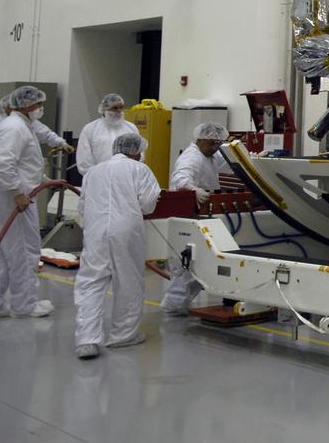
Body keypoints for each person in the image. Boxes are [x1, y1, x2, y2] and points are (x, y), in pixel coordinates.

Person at [73, 133, 161, 358]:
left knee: (90, 282)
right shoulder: (140, 169)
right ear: (135, 151)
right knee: (128, 281)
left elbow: (82, 206)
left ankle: (87, 340)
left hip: (95, 231)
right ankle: (123, 335)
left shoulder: (93, 172)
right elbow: (148, 204)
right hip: (126, 231)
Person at [0, 85, 54, 319]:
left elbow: (23, 164)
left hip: (3, 198)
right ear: (26, 105)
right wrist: (17, 193)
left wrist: (43, 180)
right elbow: (3, 163)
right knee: (25, 251)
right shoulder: (15, 127)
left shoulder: (19, 125)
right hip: (13, 200)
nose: (41, 108)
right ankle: (25, 305)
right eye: (39, 104)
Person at [161, 121, 230, 314]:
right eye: (212, 143)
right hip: (187, 215)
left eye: (218, 144)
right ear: (200, 140)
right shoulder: (192, 157)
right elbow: (180, 179)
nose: (215, 148)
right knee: (187, 264)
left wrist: (253, 157)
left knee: (198, 262)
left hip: (201, 214)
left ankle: (177, 305)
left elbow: (228, 161)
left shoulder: (209, 155)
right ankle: (173, 305)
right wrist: (194, 190)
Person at [0, 94, 76, 159]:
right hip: (8, 164)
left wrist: (62, 143)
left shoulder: (29, 121)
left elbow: (46, 134)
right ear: (6, 108)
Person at [76, 94, 138, 176]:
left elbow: (139, 155)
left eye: (121, 107)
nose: (119, 111)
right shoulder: (90, 129)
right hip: (98, 177)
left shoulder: (131, 128)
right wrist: (95, 176)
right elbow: (84, 159)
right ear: (104, 109)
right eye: (115, 108)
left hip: (126, 177)